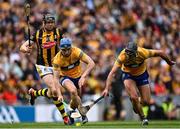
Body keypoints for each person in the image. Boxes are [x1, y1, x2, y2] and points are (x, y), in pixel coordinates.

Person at [102, 42, 176, 125]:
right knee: (134, 96)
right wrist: (106, 88)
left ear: (136, 53)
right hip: (128, 75)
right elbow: (112, 73)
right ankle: (143, 118)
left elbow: (160, 53)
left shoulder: (143, 52)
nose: (128, 56)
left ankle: (136, 102)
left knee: (146, 102)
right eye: (127, 52)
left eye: (131, 53)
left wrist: (168, 62)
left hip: (142, 75)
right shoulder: (122, 56)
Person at [20, 13, 69, 124]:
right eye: (48, 23)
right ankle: (65, 117)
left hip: (57, 65)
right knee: (55, 90)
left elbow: (66, 45)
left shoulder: (58, 32)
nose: (50, 25)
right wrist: (26, 50)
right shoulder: (37, 34)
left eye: (52, 22)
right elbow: (22, 47)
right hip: (43, 66)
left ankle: (34, 94)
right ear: (44, 23)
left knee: (53, 92)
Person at [52, 37, 95, 124]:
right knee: (73, 91)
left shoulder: (76, 52)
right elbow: (56, 79)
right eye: (64, 50)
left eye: (68, 49)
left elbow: (91, 63)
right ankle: (83, 114)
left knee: (75, 99)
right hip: (64, 77)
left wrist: (83, 76)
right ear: (60, 49)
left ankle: (70, 112)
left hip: (78, 77)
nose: (66, 52)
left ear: (71, 47)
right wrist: (59, 95)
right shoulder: (57, 60)